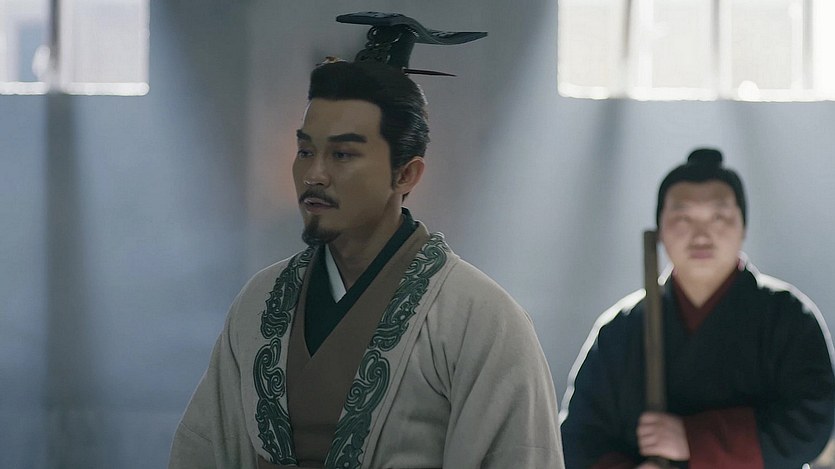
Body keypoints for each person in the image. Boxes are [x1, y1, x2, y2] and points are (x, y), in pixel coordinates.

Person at [168, 60, 564, 469]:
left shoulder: (480, 318)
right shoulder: (260, 300)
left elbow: (521, 456)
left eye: (342, 154)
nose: (314, 175)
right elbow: (203, 449)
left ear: (405, 174)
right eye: (305, 151)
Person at [559, 148, 835, 469]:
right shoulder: (622, 327)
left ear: (743, 227)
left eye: (719, 217)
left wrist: (693, 438)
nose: (702, 236)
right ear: (660, 230)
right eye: (683, 218)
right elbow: (578, 436)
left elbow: (812, 420)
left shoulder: (787, 316)